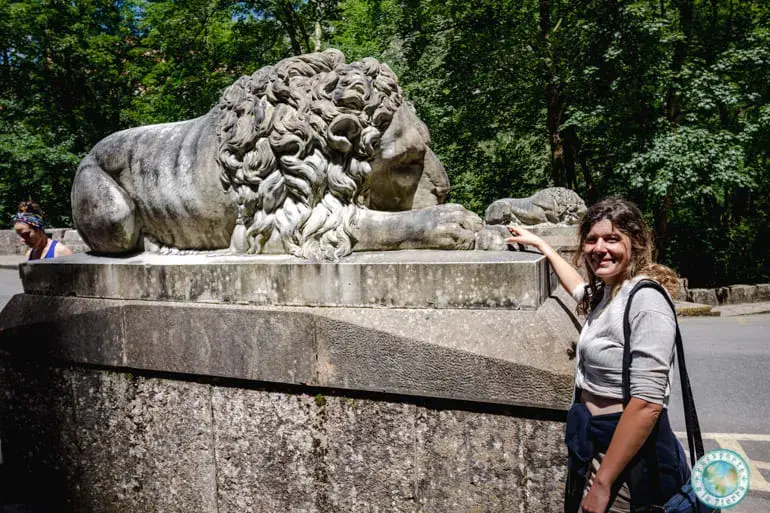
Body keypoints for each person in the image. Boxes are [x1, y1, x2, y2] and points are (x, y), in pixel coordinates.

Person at [507, 197, 688, 513]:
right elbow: (577, 287)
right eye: (591, 240)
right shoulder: (607, 292)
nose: (599, 248)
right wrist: (543, 247)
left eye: (612, 239)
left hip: (625, 461)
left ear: (636, 243)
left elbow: (647, 403)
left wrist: (603, 483)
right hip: (594, 446)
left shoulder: (646, 299)